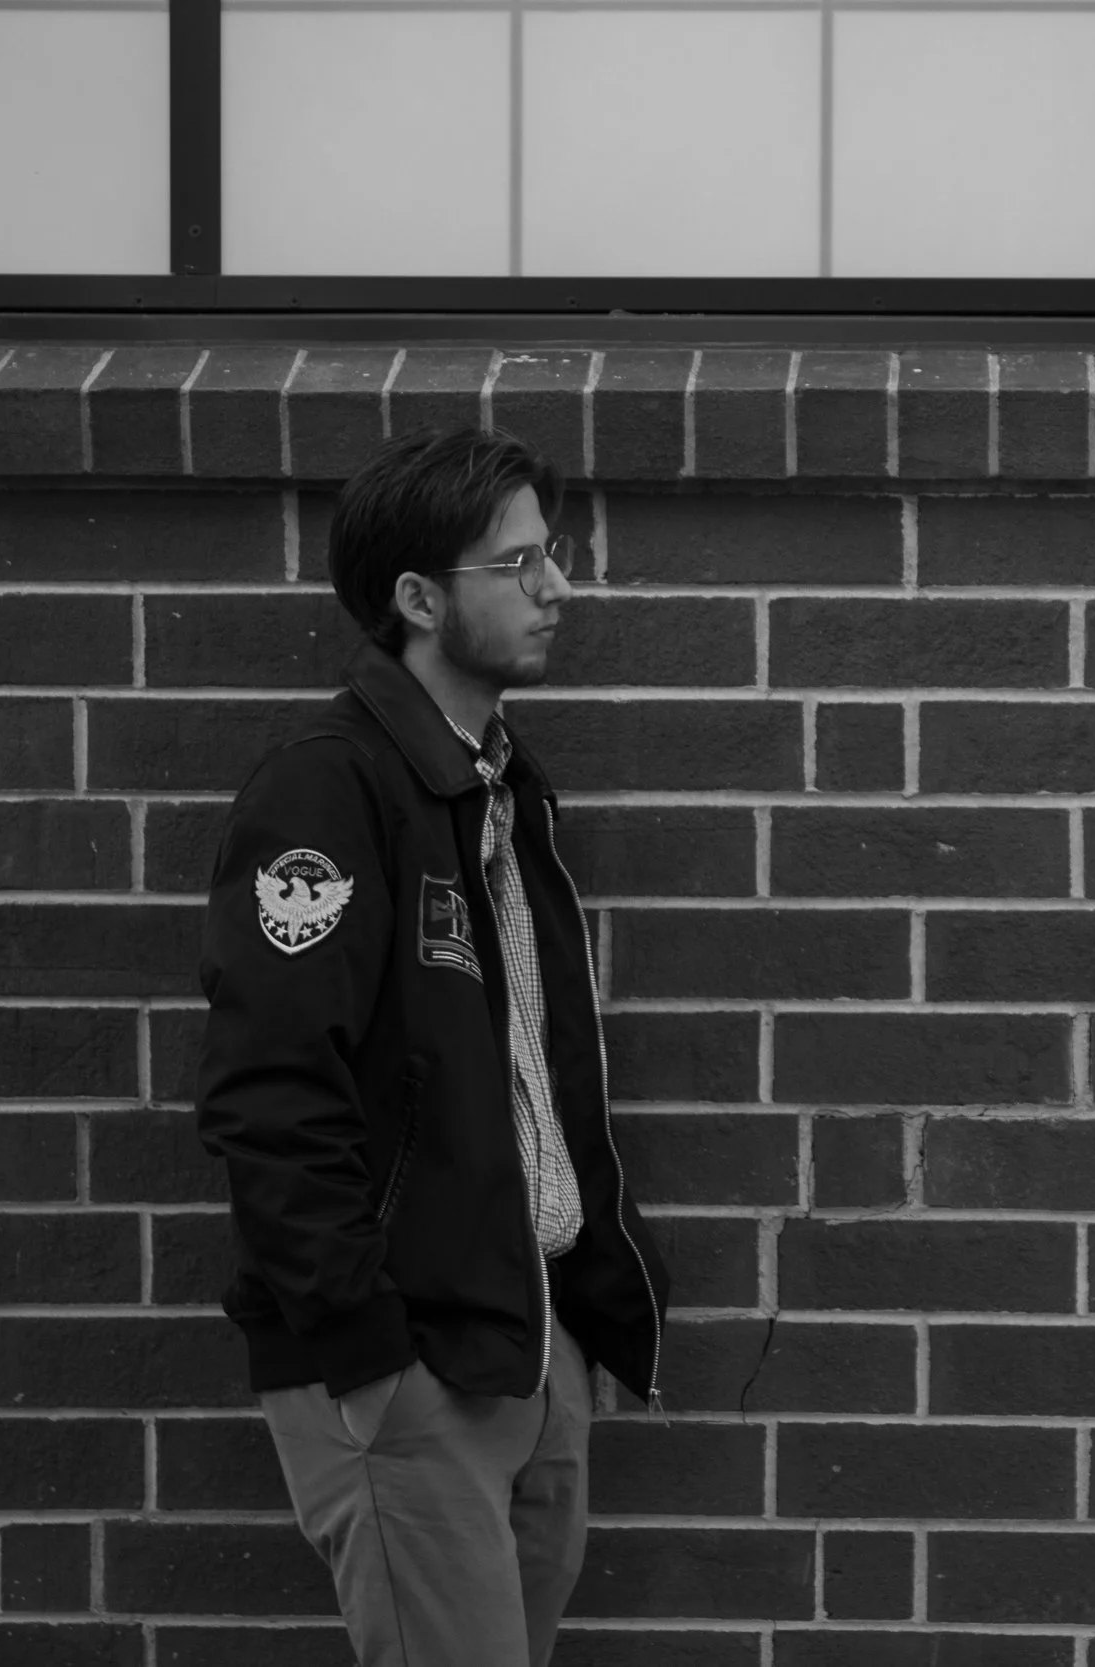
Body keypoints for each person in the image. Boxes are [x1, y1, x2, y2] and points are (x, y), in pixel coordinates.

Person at [193, 425, 667, 1667]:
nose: (557, 586)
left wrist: (574, 1325)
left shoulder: (501, 790)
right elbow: (267, 1092)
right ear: (417, 598)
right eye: (518, 564)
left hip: (524, 1340)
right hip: (406, 1366)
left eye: (553, 553)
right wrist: (369, 1352)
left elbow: (528, 1077)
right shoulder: (327, 790)